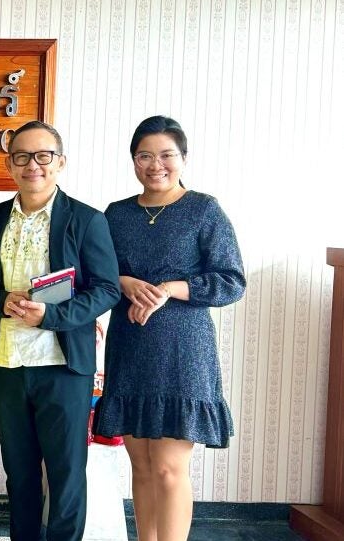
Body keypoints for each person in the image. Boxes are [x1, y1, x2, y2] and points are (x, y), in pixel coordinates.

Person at [92, 116, 244, 541]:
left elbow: (231, 281)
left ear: (183, 158)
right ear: (133, 161)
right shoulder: (117, 214)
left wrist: (171, 288)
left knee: (168, 467)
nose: (155, 164)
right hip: (131, 346)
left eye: (165, 155)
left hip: (183, 351)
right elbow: (99, 273)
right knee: (140, 466)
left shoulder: (203, 209)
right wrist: (124, 282)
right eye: (144, 156)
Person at [0, 120, 120, 541]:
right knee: (19, 474)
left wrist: (51, 317)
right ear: (9, 164)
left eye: (43, 156)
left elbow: (107, 289)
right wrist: (1, 301)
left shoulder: (87, 220)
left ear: (60, 163)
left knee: (66, 475)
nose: (32, 165)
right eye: (22, 157)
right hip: (5, 362)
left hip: (62, 364)